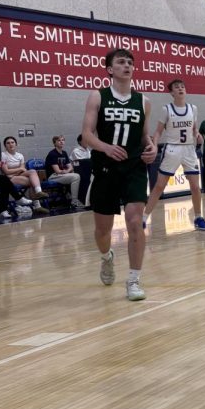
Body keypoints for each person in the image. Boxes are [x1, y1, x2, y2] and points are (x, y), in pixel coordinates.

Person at [81, 48, 156, 301]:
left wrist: (151, 148)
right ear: (110, 69)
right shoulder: (97, 96)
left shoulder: (143, 101)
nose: (127, 65)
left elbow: (145, 136)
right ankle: (106, 257)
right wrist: (105, 147)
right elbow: (87, 135)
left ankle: (134, 280)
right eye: (121, 62)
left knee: (135, 222)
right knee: (103, 232)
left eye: (130, 62)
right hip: (105, 167)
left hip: (134, 167)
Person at [143, 79, 205, 231]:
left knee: (195, 186)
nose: (180, 89)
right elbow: (159, 131)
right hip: (172, 148)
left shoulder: (193, 108)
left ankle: (198, 218)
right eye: (177, 87)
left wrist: (198, 134)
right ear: (171, 93)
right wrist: (154, 145)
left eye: (182, 86)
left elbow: (193, 129)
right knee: (160, 186)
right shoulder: (166, 109)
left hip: (189, 149)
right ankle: (144, 218)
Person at [0, 137, 49, 214]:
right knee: (32, 182)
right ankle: (37, 206)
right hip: (8, 179)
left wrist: (16, 171)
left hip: (17, 175)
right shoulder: (3, 155)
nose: (10, 144)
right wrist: (18, 170)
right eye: (8, 143)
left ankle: (39, 192)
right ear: (5, 146)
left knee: (32, 171)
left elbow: (23, 168)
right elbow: (6, 171)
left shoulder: (20, 155)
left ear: (16, 144)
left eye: (12, 142)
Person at [44, 134, 82, 209]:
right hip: (53, 176)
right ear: (54, 143)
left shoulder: (64, 153)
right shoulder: (52, 154)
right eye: (59, 140)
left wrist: (67, 171)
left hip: (62, 175)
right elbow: (57, 171)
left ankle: (72, 197)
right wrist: (66, 171)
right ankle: (74, 201)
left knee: (77, 174)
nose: (61, 142)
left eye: (63, 140)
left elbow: (70, 167)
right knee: (76, 176)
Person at [70, 133, 93, 205]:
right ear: (80, 142)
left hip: (88, 170)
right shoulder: (76, 151)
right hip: (79, 171)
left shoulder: (88, 150)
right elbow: (81, 162)